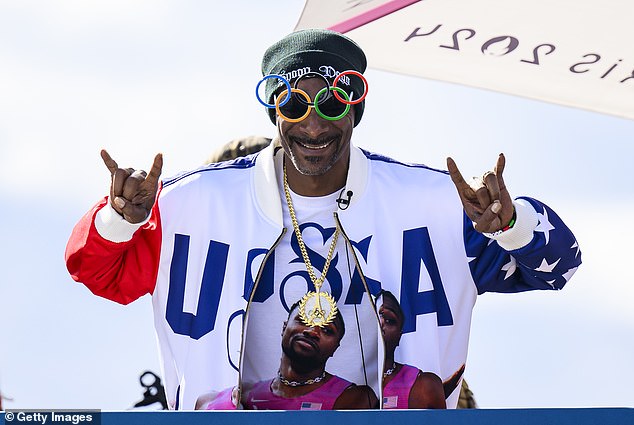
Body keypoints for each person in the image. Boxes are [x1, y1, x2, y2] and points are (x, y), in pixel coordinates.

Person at [65, 28, 582, 409]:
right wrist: (119, 220)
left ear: (356, 110)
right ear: (274, 113)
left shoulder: (437, 206)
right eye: (295, 103)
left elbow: (561, 266)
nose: (314, 124)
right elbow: (96, 271)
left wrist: (512, 226)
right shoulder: (188, 206)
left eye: (333, 104)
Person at [198, 300, 377, 410]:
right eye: (303, 320)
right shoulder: (244, 393)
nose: (312, 331)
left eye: (326, 330)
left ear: (335, 347)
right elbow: (203, 402)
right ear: (284, 327)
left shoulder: (355, 398)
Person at [377, 290, 446, 409]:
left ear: (399, 335)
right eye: (375, 318)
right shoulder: (351, 388)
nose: (381, 324)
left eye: (389, 320)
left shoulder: (424, 385)